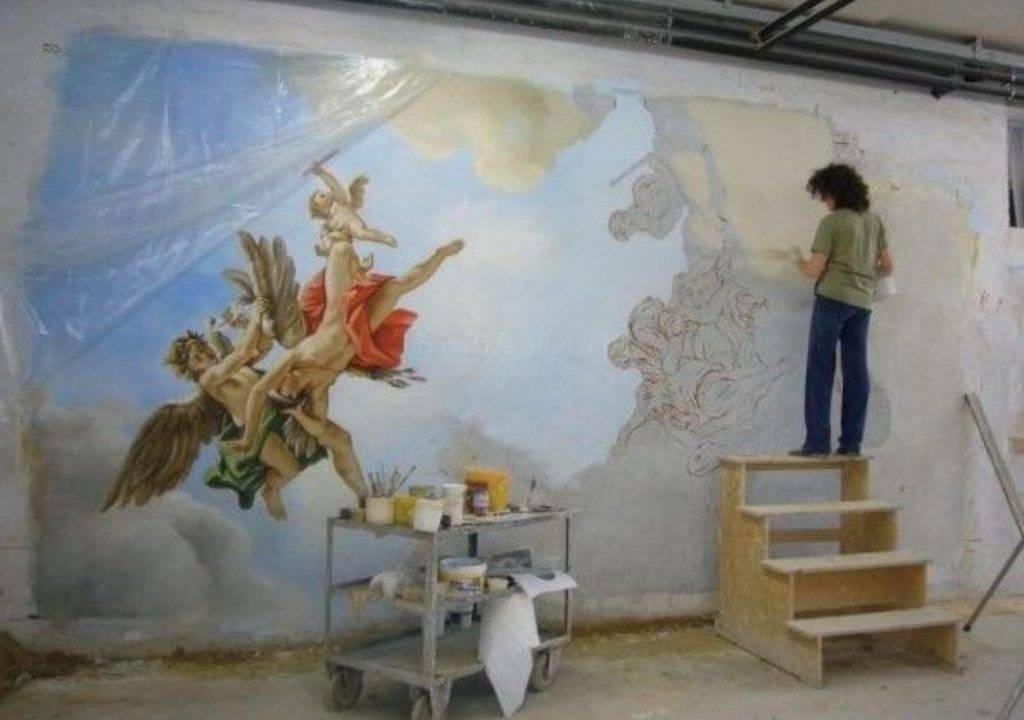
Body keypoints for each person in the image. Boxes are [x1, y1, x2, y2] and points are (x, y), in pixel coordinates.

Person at [791, 163, 894, 458]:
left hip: (832, 299)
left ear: (833, 192)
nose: (824, 201)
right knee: (856, 371)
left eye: (824, 195)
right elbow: (888, 266)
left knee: (820, 369)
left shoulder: (832, 223)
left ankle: (817, 443)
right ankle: (851, 445)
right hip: (862, 305)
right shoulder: (874, 221)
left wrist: (797, 261)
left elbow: (814, 269)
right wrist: (863, 274)